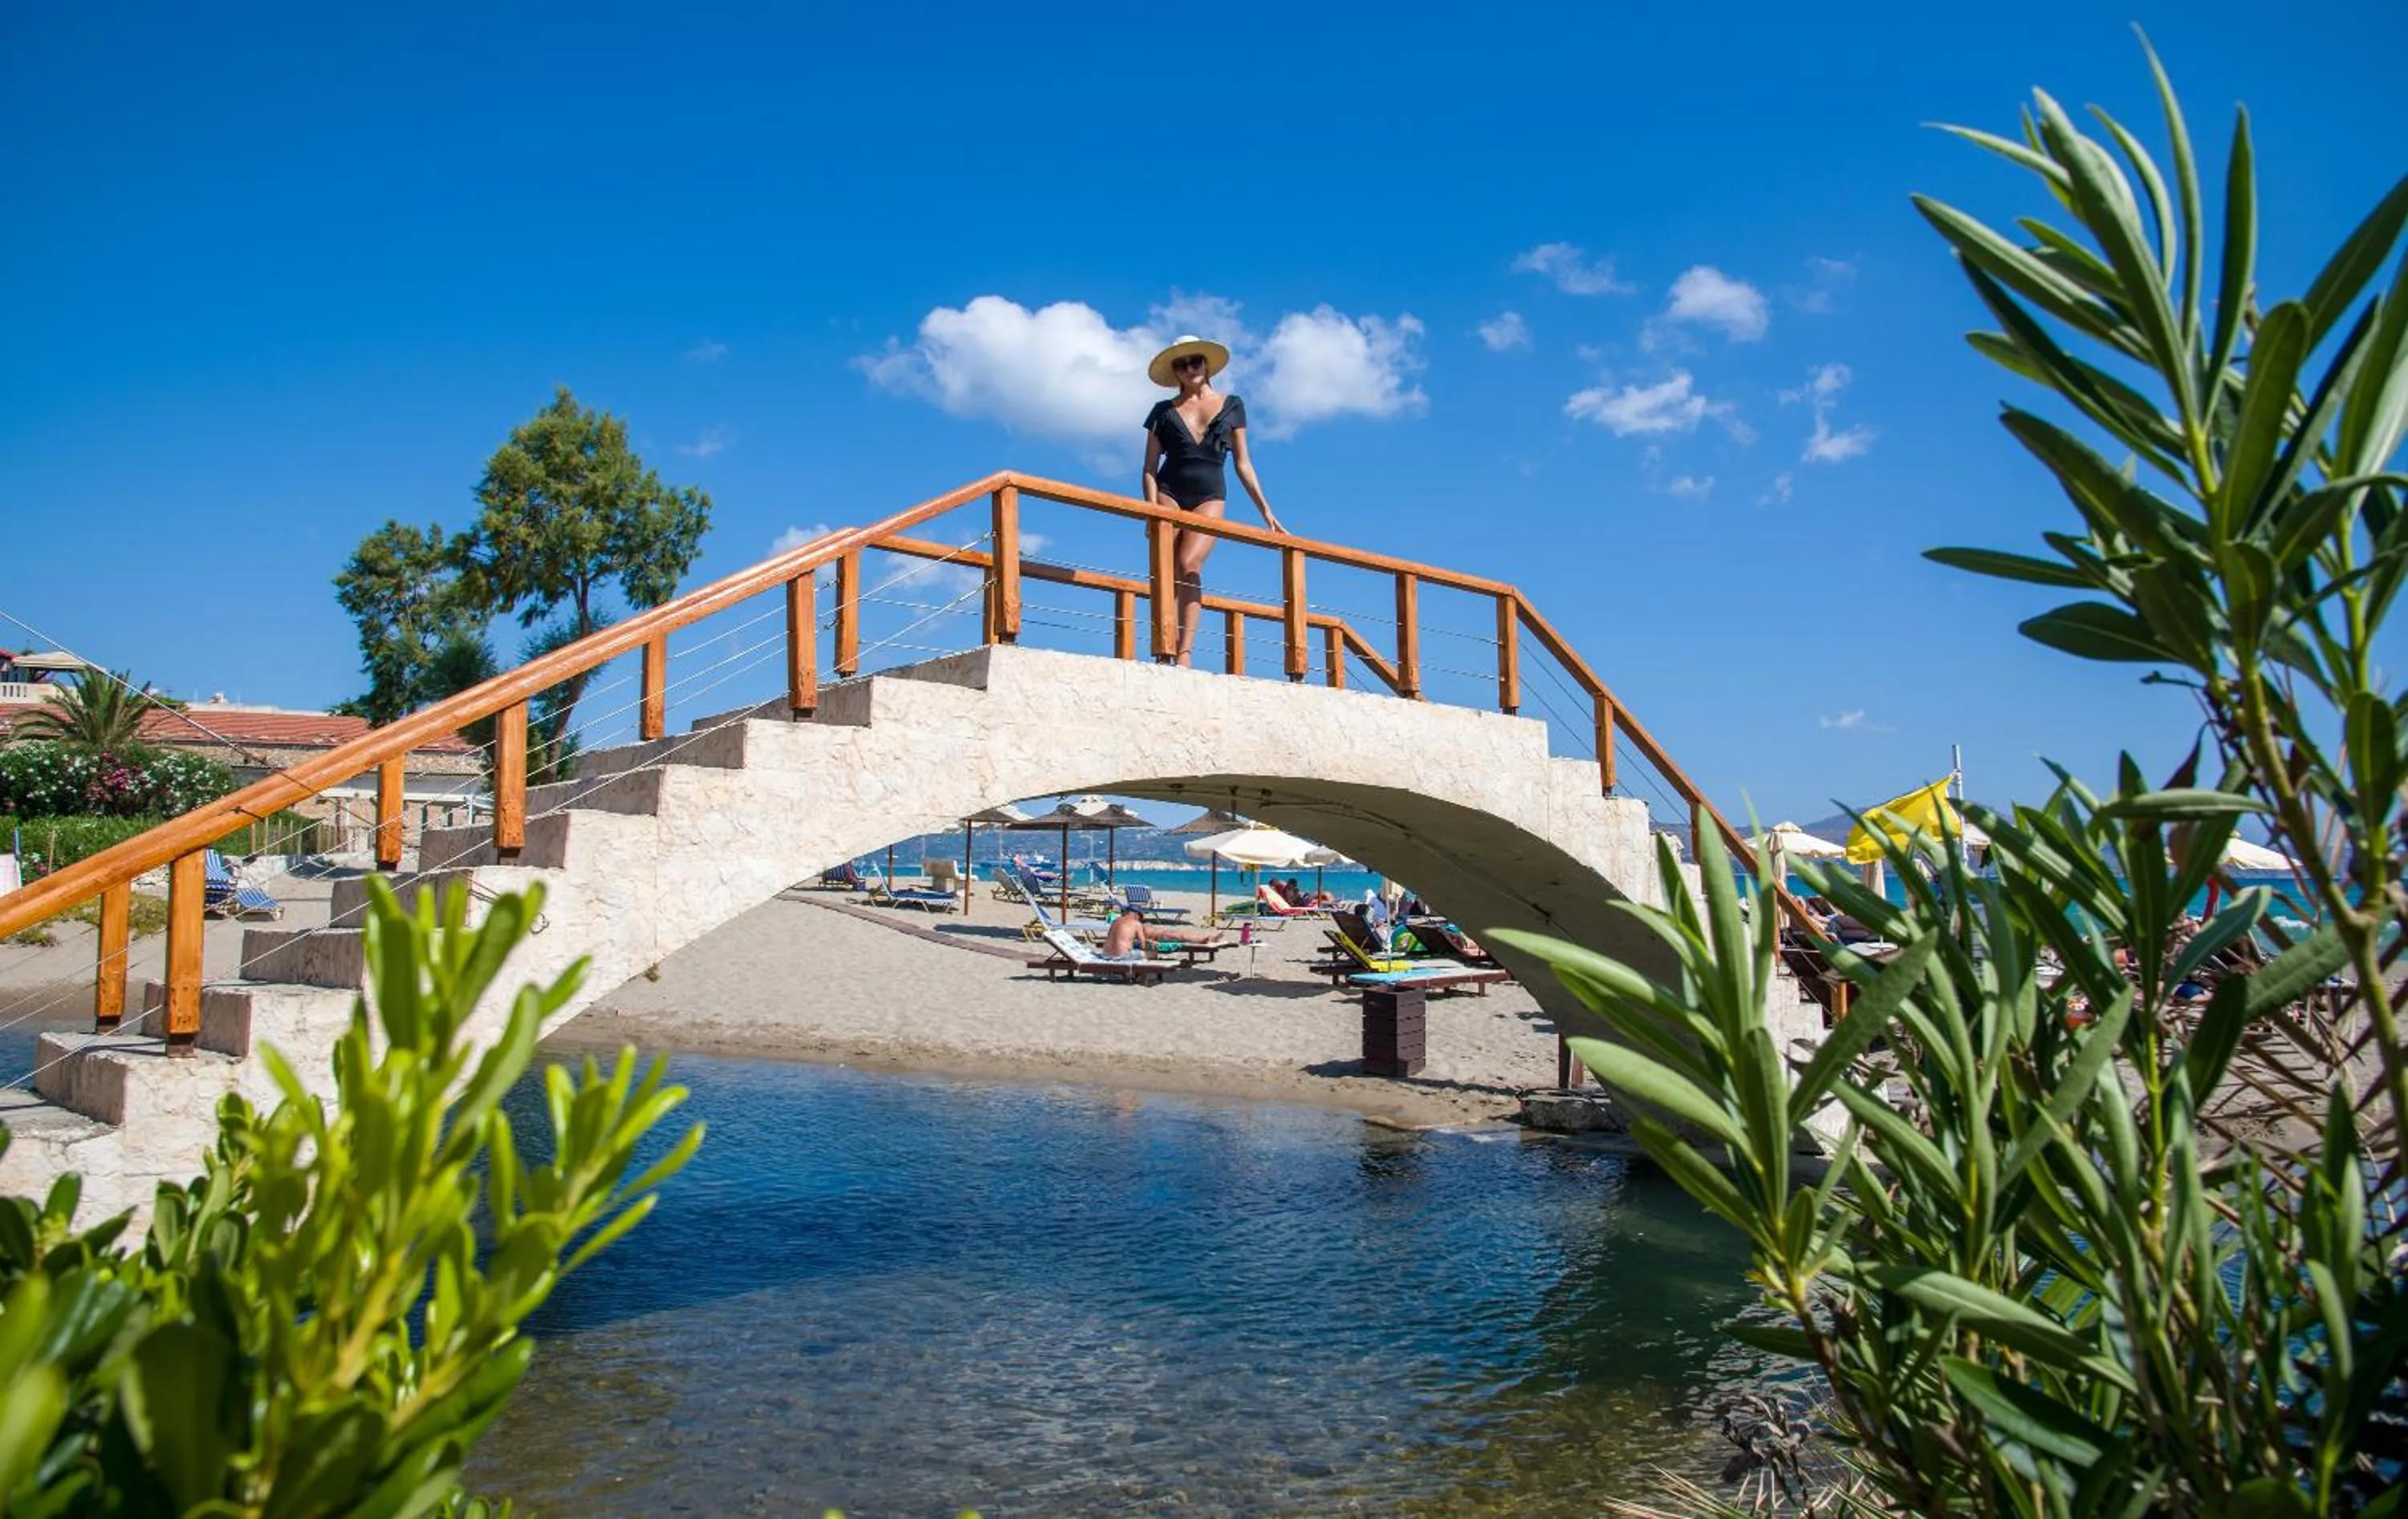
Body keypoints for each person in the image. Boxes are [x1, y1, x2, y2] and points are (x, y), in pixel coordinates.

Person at [1141, 336, 1286, 666]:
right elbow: (1149, 468)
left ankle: (1184, 652)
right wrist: (1149, 509)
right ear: (1174, 372)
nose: (1189, 368)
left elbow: (1243, 463)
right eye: (1181, 364)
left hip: (1210, 495)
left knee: (1189, 564)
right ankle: (1163, 646)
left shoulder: (1233, 405)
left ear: (1206, 364)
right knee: (1165, 567)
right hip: (1168, 492)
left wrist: (1266, 511)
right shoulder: (1162, 412)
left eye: (1195, 361)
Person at [1101, 907, 1233, 959]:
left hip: (1105, 954)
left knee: (1170, 935)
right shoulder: (1136, 924)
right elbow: (1143, 945)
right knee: (1155, 951)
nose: (1141, 920)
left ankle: (1205, 938)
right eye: (1141, 918)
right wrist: (1152, 945)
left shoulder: (1116, 921)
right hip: (1120, 957)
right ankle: (1205, 939)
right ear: (1136, 915)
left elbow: (1114, 940)